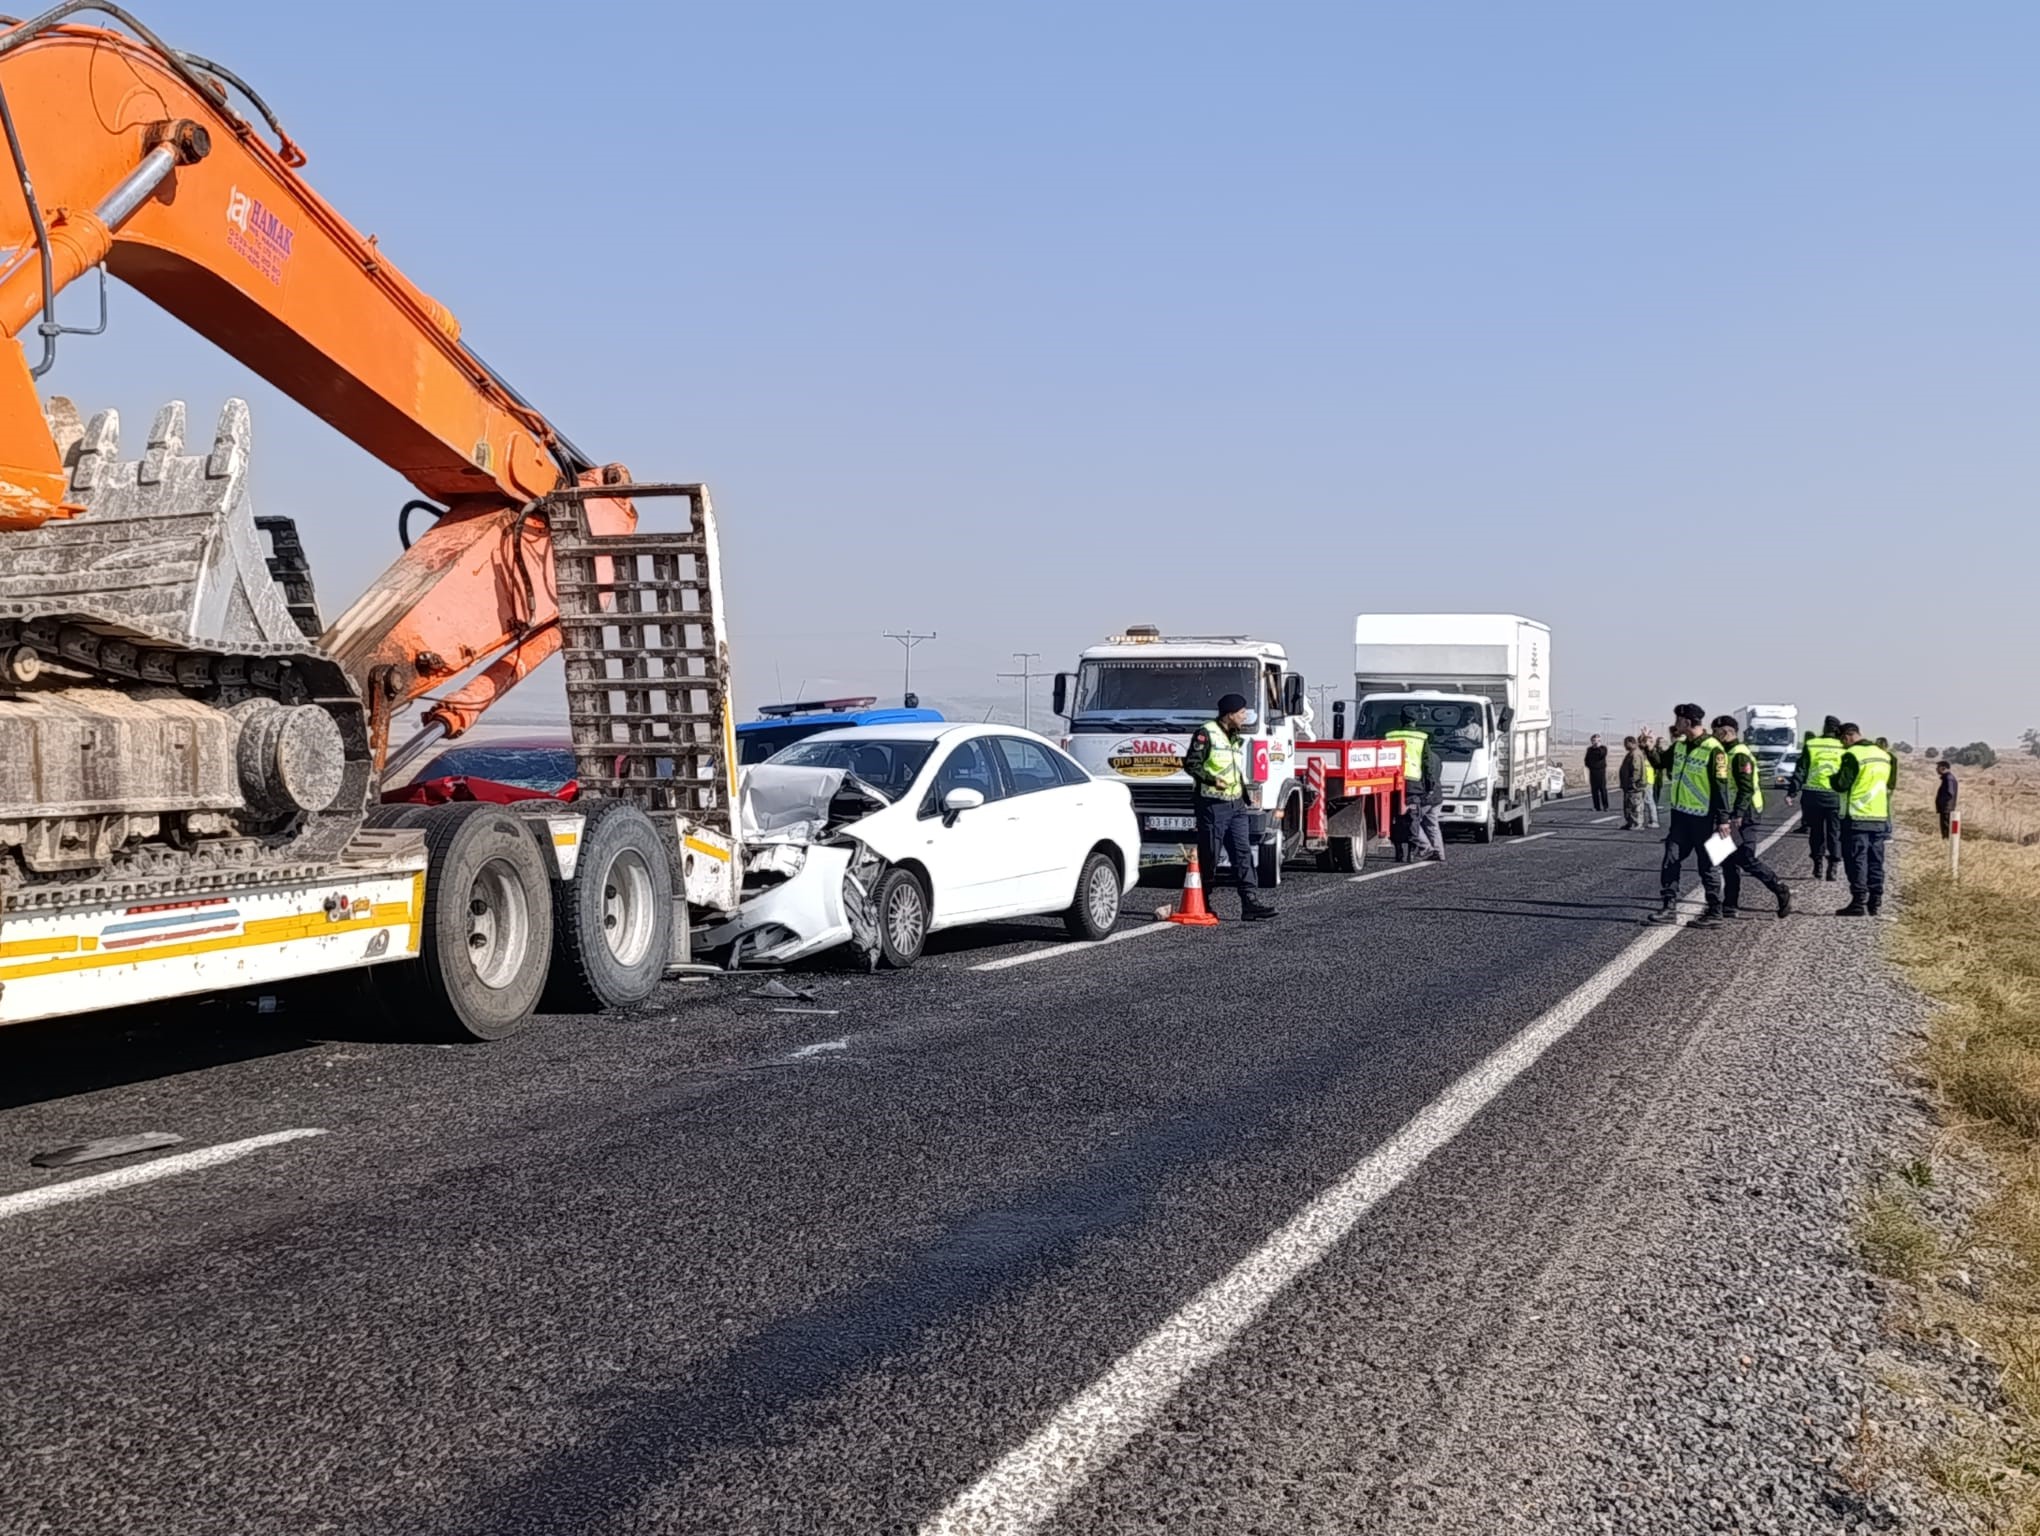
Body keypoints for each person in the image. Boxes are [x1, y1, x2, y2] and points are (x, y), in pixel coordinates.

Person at [1182, 693, 1277, 921]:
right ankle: (1203, 902)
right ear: (1230, 714)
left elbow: (1234, 770)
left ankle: (1250, 903)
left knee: (1243, 854)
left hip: (1236, 806)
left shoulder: (1234, 735)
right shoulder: (1207, 733)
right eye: (1242, 712)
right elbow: (1191, 765)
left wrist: (1244, 795)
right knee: (1210, 856)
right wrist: (1213, 780)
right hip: (1213, 806)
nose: (1245, 716)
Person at [1647, 703, 1733, 928]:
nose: (1675, 724)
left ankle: (1715, 911)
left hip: (1705, 818)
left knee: (1707, 865)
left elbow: (1720, 786)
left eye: (1678, 720)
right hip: (1681, 816)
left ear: (1687, 722)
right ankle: (1669, 907)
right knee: (1671, 859)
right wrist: (1648, 748)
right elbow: (1660, 763)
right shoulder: (1680, 746)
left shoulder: (1714, 750)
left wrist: (1723, 820)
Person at [1713, 715, 1792, 919]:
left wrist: (1737, 814)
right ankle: (1730, 904)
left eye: (1716, 731)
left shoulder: (1739, 754)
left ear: (1726, 731)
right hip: (1732, 811)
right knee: (1727, 859)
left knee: (1745, 858)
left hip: (1745, 813)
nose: (1714, 735)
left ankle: (1780, 889)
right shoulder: (1725, 752)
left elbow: (1746, 788)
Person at [1831, 724, 1894, 917]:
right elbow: (1890, 784)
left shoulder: (1853, 755)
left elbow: (1842, 784)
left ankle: (1858, 902)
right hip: (1879, 815)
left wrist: (1832, 778)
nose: (1843, 745)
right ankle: (1875, 900)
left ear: (1848, 737)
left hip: (1856, 816)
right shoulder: (1884, 755)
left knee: (1856, 859)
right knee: (1876, 860)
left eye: (1842, 741)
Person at [1791, 716, 1846, 882]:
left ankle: (1818, 864)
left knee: (1816, 832)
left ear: (1824, 728)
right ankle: (1833, 867)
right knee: (1834, 832)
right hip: (1835, 796)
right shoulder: (1844, 746)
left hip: (1813, 795)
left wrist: (1792, 791)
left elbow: (1801, 769)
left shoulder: (1812, 744)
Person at [1386, 708, 1443, 862]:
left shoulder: (1390, 736)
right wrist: (1430, 786)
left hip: (1392, 782)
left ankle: (1399, 851)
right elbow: (1427, 764)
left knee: (1395, 818)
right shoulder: (1421, 737)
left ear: (1401, 720)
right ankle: (1417, 850)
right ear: (1415, 721)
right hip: (1412, 785)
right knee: (1413, 818)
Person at [1618, 735, 1645, 829]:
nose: (1625, 746)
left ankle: (1637, 823)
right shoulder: (1632, 753)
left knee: (1635, 804)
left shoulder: (1635, 754)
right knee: (1629, 804)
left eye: (1626, 743)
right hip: (1629, 785)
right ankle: (1630, 822)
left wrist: (1633, 781)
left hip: (1634, 785)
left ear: (1631, 743)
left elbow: (1636, 770)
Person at [1636, 729, 1660, 829]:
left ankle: (1654, 821)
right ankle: (1640, 821)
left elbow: (1643, 746)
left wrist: (1645, 737)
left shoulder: (1648, 752)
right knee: (1641, 801)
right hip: (1643, 779)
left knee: (1648, 800)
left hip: (1647, 779)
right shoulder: (1643, 753)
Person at [1585, 734, 1610, 811]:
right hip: (1593, 771)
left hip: (1601, 771)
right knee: (1594, 790)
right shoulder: (1589, 750)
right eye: (1594, 741)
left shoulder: (1603, 748)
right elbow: (1587, 760)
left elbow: (1601, 755)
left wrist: (1598, 747)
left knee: (1603, 789)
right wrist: (1590, 766)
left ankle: (1605, 806)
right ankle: (1597, 806)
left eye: (1597, 741)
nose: (1595, 742)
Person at [1935, 759, 1959, 839]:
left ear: (1943, 768)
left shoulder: (1948, 778)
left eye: (1938, 767)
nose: (1936, 769)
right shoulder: (1948, 778)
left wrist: (1942, 802)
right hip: (1946, 808)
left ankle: (1946, 843)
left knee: (1946, 828)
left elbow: (1950, 793)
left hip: (1946, 808)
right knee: (1946, 828)